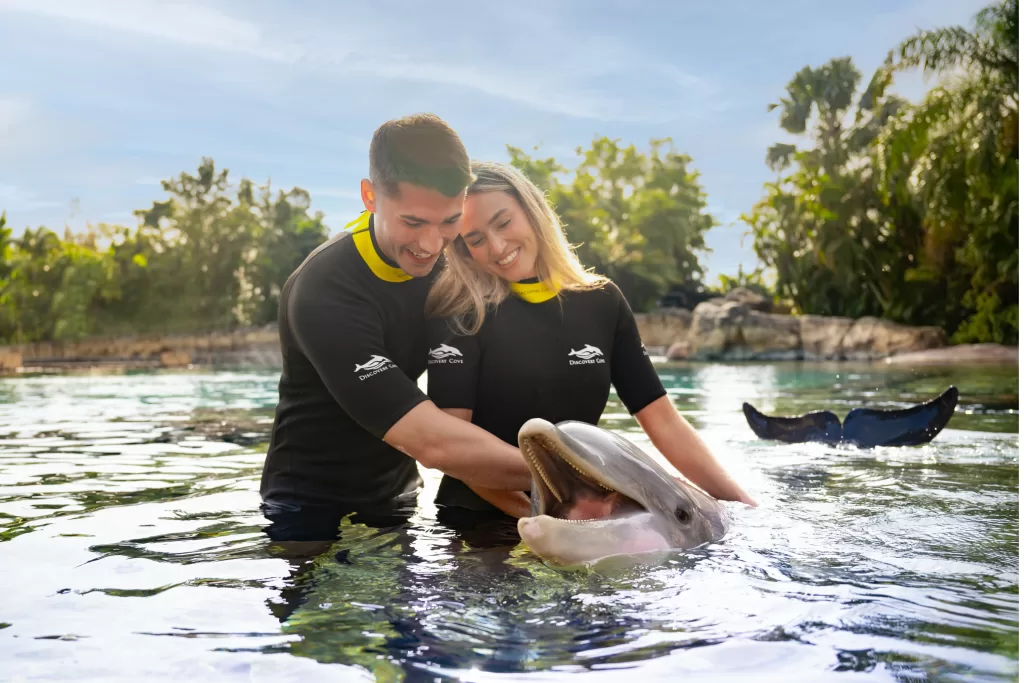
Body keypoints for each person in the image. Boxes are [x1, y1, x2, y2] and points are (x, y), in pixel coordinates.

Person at [424, 161, 757, 521]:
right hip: (479, 527)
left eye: (504, 223)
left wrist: (742, 507)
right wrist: (538, 520)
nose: (497, 245)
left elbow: (664, 422)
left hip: (581, 516)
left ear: (532, 211)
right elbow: (453, 446)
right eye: (476, 239)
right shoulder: (460, 311)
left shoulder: (602, 301)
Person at [259, 115, 532, 543]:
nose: (431, 245)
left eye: (449, 222)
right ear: (370, 196)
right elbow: (431, 442)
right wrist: (583, 477)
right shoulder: (324, 288)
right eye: (412, 222)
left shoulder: (451, 262)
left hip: (399, 503)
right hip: (308, 510)